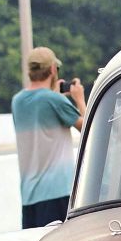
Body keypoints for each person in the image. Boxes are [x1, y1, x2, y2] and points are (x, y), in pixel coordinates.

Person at [12, 46, 85, 227]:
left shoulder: (17, 102)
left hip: (29, 196)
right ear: (53, 69)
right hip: (58, 191)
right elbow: (88, 128)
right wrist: (79, 99)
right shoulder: (55, 100)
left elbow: (40, 107)